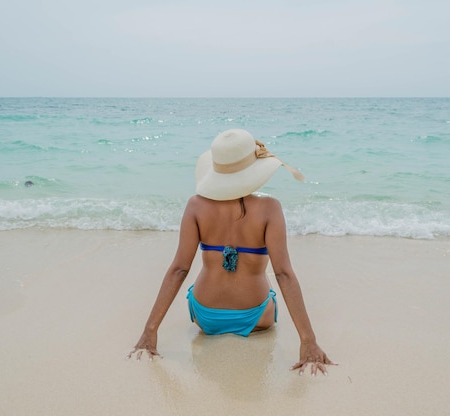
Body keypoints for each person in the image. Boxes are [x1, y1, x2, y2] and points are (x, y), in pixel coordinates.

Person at [128, 129, 335, 376]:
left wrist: (149, 331)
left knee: (197, 283)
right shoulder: (270, 209)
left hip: (205, 317)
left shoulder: (196, 205)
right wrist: (308, 340)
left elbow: (179, 269)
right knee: (268, 284)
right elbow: (283, 274)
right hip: (258, 316)